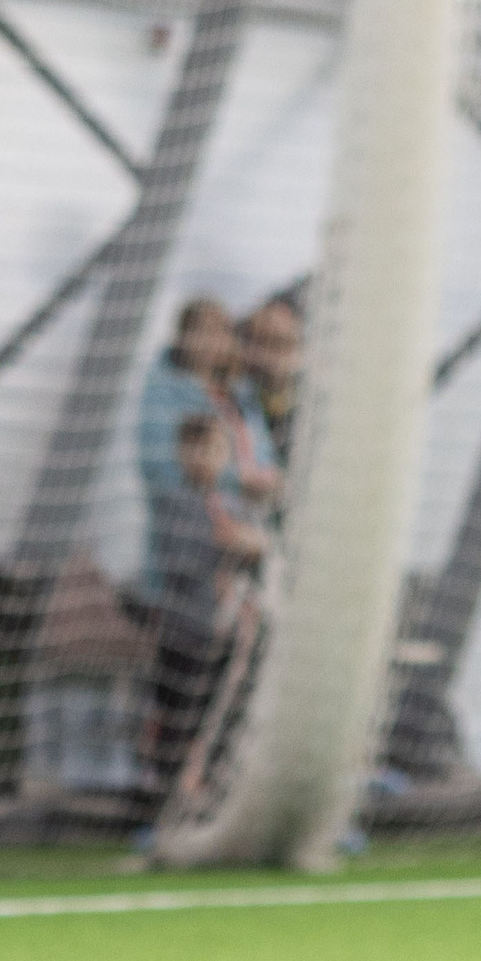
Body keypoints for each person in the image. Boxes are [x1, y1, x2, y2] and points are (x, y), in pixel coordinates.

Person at [135, 414, 266, 816]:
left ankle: (209, 798)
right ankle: (165, 805)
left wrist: (253, 548)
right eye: (192, 448)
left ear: (226, 456)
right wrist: (225, 547)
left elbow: (258, 561)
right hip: (183, 630)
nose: (202, 458)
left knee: (222, 716)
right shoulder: (170, 504)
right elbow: (178, 563)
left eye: (211, 449)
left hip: (224, 631)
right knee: (178, 717)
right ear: (179, 454)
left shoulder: (237, 507)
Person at [136, 297, 278, 594]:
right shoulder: (162, 391)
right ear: (182, 337)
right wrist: (237, 480)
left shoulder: (241, 394)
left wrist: (268, 479)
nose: (210, 341)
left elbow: (263, 454)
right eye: (200, 330)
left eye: (219, 331)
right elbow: (161, 466)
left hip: (247, 537)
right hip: (191, 543)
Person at [238, 292, 302, 462]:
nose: (274, 357)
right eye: (265, 342)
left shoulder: (313, 398)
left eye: (282, 344)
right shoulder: (238, 403)